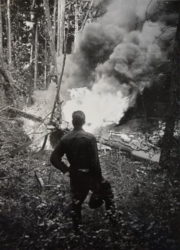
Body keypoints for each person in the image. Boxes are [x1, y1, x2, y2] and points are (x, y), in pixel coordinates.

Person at [50, 110, 114, 229]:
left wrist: (66, 170)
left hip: (75, 176)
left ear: (73, 122)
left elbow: (54, 158)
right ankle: (113, 222)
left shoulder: (65, 139)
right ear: (84, 122)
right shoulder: (90, 138)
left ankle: (77, 232)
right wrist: (99, 180)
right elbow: (95, 162)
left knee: (76, 204)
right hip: (90, 175)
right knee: (108, 194)